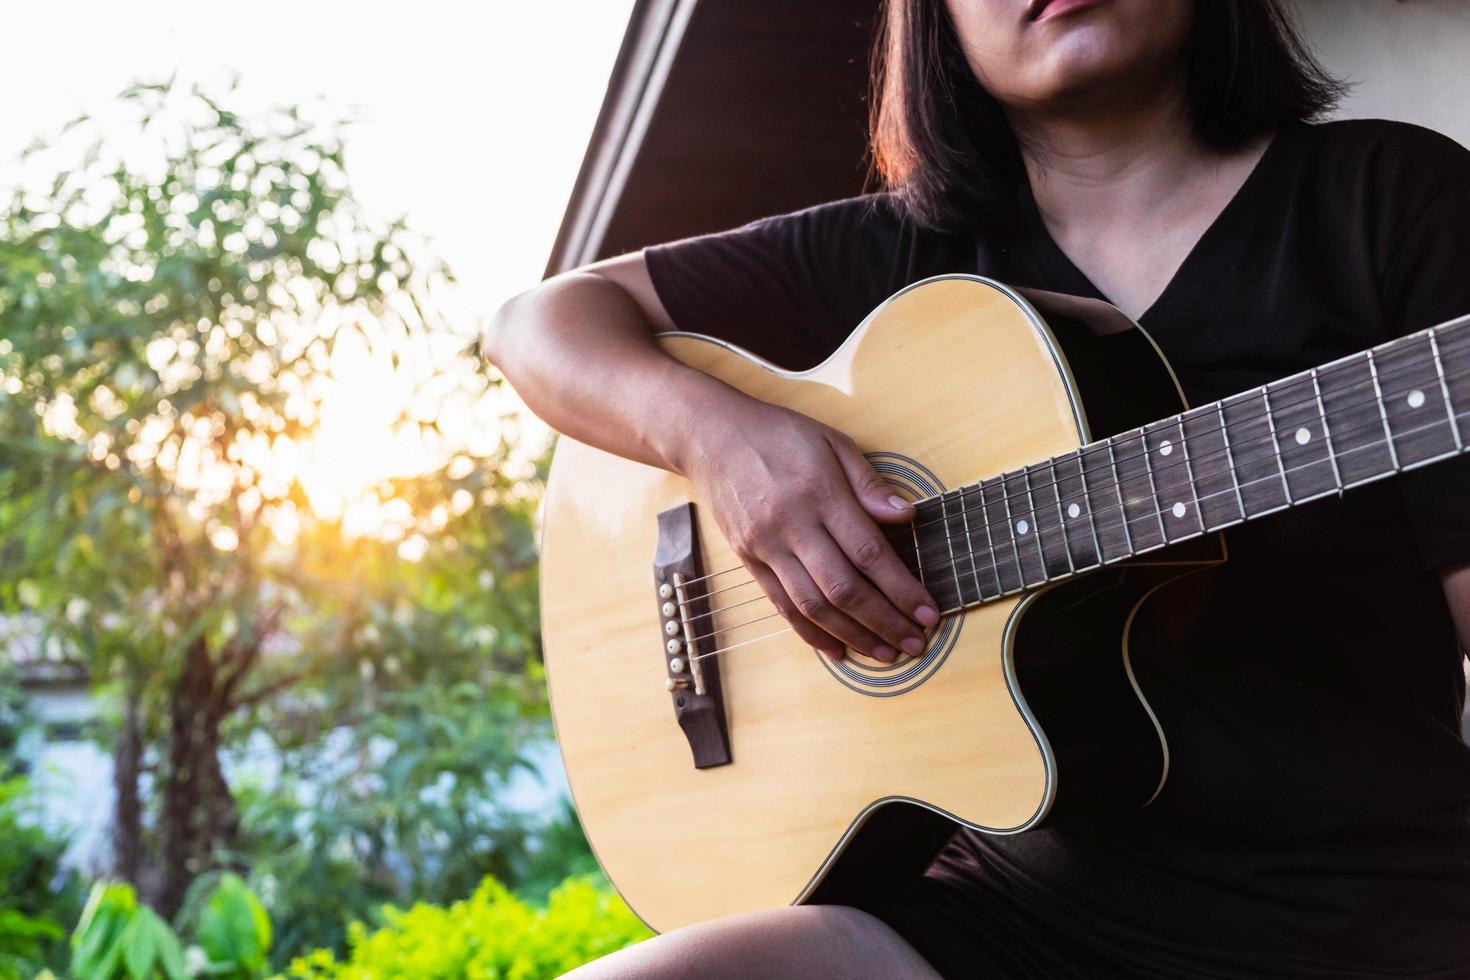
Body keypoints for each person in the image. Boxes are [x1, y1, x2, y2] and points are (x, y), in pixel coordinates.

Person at [484, 0, 1470, 975]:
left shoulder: (1388, 199)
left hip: (1372, 911)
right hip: (1003, 914)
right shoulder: (892, 253)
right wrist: (719, 440)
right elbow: (537, 325)